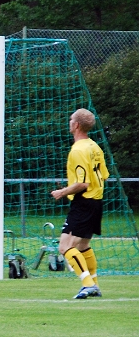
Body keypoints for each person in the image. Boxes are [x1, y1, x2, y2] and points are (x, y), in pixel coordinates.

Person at [50, 108, 109, 299]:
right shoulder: (94, 146)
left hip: (84, 202)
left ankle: (87, 283)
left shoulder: (78, 150)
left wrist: (62, 192)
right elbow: (104, 176)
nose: (69, 122)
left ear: (76, 125)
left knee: (65, 247)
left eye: (70, 119)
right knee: (83, 246)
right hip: (96, 201)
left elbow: (83, 183)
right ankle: (94, 284)